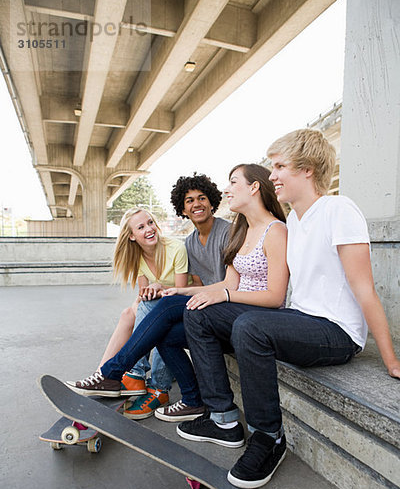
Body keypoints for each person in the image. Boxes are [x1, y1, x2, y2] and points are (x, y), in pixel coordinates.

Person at [180, 128, 400, 489]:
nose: (272, 175)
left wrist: (391, 360)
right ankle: (223, 418)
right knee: (199, 312)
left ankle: (269, 437)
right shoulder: (294, 221)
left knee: (250, 326)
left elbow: (365, 289)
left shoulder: (338, 209)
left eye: (280, 166)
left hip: (336, 332)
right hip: (299, 318)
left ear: (308, 169)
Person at [67, 165, 289, 429]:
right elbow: (226, 282)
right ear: (182, 208)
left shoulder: (257, 230)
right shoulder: (241, 231)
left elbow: (268, 295)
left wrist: (219, 295)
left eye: (232, 183)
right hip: (228, 307)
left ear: (253, 188)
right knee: (165, 328)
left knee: (167, 306)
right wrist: (181, 291)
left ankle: (115, 373)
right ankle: (192, 399)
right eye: (189, 201)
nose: (227, 189)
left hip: (246, 314)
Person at [69, 173, 231, 420]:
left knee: (159, 309)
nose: (196, 204)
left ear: (212, 201)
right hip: (191, 304)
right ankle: (111, 375)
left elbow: (190, 289)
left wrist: (166, 290)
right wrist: (151, 291)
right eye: (189, 200)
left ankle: (132, 378)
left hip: (205, 304)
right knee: (138, 311)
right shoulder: (187, 243)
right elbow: (180, 287)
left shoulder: (194, 242)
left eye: (201, 198)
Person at [68, 207, 189, 416]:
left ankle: (152, 383)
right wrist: (146, 297)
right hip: (161, 305)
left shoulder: (176, 248)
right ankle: (103, 373)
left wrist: (159, 286)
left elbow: (181, 292)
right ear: (132, 236)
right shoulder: (138, 257)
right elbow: (144, 295)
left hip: (182, 304)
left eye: (150, 222)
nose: (149, 229)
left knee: (156, 317)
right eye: (141, 227)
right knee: (131, 311)